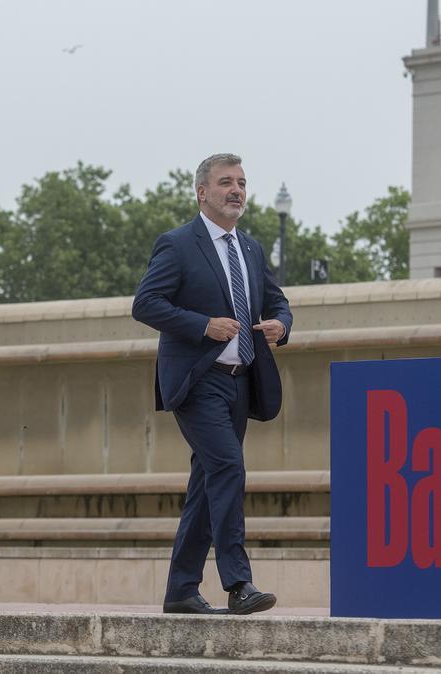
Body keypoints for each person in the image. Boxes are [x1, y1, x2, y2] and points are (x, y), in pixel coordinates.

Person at [132, 153, 293, 615]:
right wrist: (205, 325)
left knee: (207, 484)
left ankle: (181, 589)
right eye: (226, 182)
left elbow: (277, 302)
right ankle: (238, 584)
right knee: (227, 468)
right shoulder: (178, 244)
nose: (236, 190)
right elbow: (146, 304)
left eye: (241, 182)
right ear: (203, 192)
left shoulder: (251, 249)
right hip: (198, 380)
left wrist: (282, 324)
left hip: (241, 382)